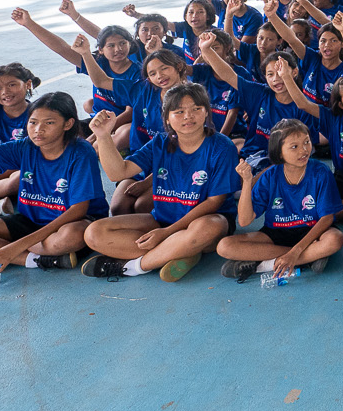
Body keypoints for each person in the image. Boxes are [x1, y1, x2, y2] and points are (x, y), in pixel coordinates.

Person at [83, 81, 241, 280]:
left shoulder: (222, 147)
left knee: (209, 228)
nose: (188, 116)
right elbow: (118, 172)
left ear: (207, 112)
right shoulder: (160, 142)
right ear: (166, 117)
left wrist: (167, 233)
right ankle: (178, 252)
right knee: (94, 233)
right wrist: (103, 136)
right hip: (161, 219)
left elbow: (214, 203)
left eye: (196, 109)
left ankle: (133, 267)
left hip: (202, 222)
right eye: (179, 111)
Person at [0, 91, 102, 273]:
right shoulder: (25, 146)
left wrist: (14, 246)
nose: (38, 129)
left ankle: (0, 252)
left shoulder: (81, 152)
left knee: (69, 238)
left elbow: (78, 210)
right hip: (29, 220)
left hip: (69, 223)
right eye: (33, 122)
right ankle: (32, 260)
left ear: (68, 124)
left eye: (49, 123)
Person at [217, 118, 343, 281]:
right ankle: (309, 258)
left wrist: (295, 252)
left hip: (312, 229)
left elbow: (327, 218)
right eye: (294, 147)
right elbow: (244, 220)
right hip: (277, 232)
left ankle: (264, 265)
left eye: (306, 142)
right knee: (224, 246)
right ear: (279, 152)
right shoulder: (270, 176)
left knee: (335, 239)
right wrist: (248, 182)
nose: (304, 150)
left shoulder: (320, 171)